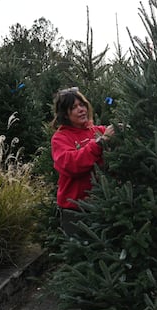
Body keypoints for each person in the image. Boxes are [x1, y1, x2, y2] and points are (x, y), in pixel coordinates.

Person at [50, 87, 114, 235]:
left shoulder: (96, 131)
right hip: (75, 210)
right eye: (74, 107)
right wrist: (99, 143)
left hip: (102, 204)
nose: (81, 109)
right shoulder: (60, 139)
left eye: (82, 105)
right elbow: (71, 165)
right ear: (64, 114)